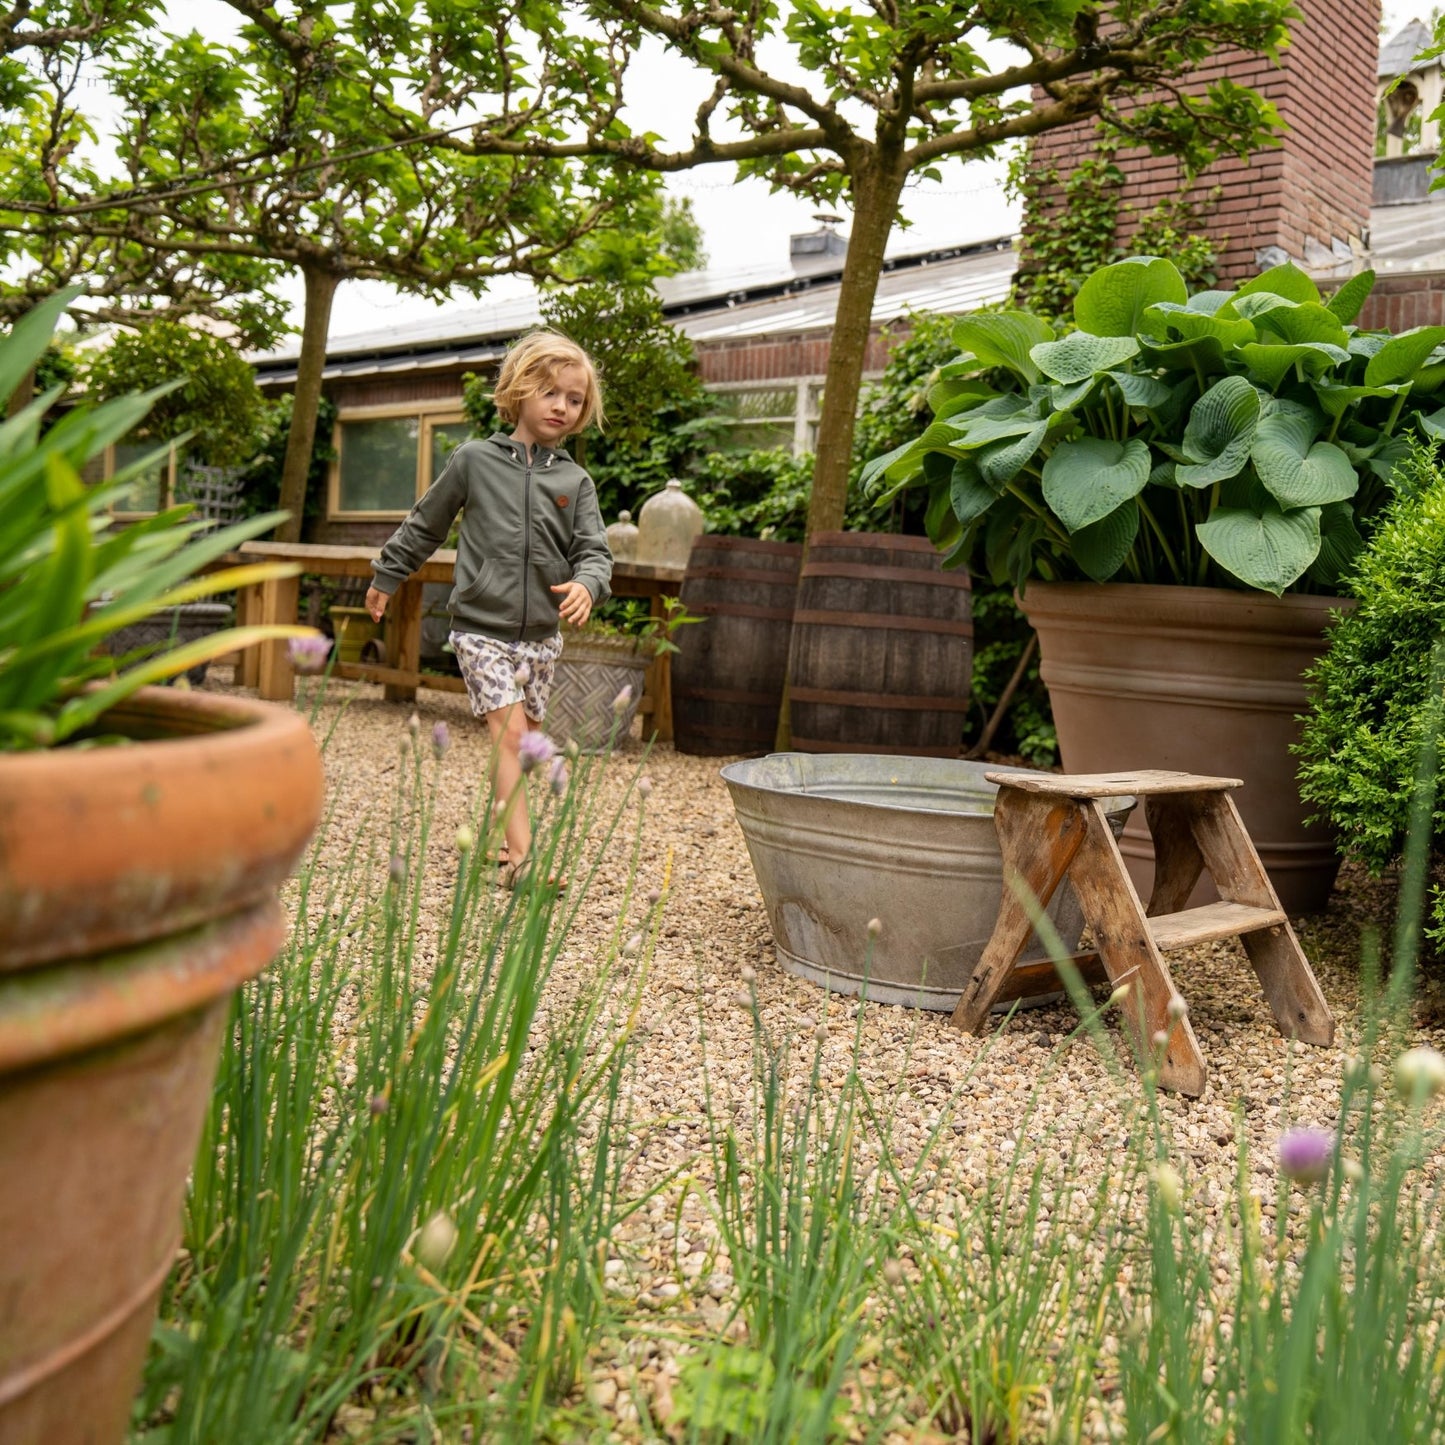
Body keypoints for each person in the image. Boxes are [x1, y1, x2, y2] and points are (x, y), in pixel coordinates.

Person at [364, 331, 612, 888]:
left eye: (574, 400)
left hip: (541, 637)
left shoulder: (575, 480)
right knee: (510, 736)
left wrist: (589, 586)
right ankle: (522, 863)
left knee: (524, 746)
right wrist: (389, 572)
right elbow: (426, 522)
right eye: (550, 393)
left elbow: (595, 551)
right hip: (479, 627)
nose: (562, 407)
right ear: (518, 390)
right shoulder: (474, 460)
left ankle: (503, 844)